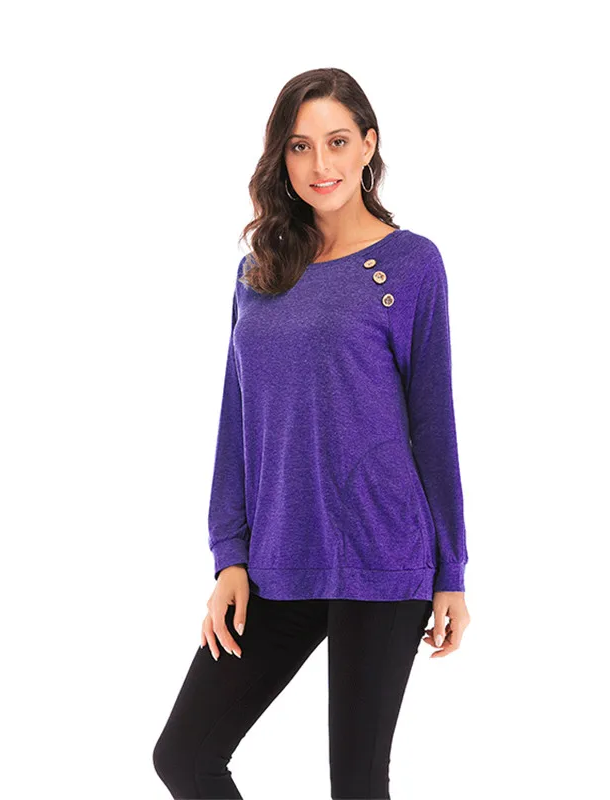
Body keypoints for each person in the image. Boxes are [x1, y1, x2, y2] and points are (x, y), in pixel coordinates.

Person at [153, 67, 472, 799]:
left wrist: (450, 571)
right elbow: (237, 416)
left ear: (368, 146)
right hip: (278, 554)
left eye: (337, 141)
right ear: (281, 156)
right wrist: (229, 556)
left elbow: (434, 423)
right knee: (186, 756)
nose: (320, 164)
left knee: (356, 784)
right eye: (300, 146)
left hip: (382, 551)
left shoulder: (411, 265)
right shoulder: (259, 271)